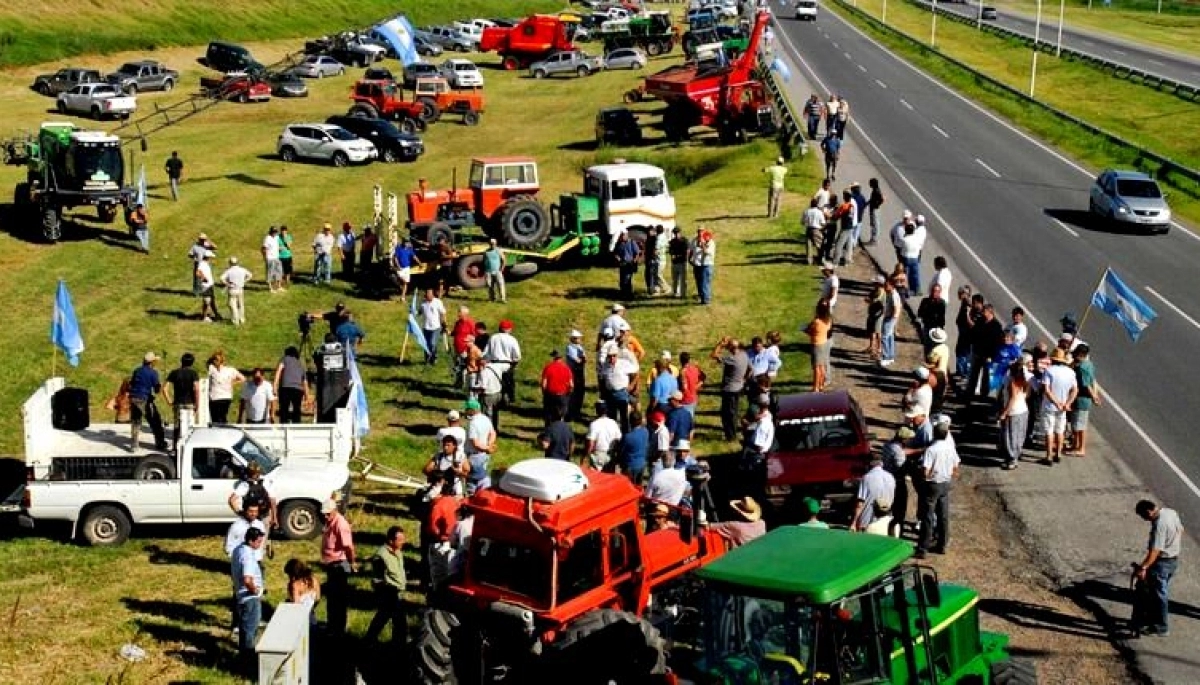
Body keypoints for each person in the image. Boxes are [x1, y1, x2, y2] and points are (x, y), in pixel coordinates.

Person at [1131, 500, 1183, 637]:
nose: (1145, 520)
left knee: (1158, 595)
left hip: (1161, 563)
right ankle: (1152, 620)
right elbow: (1180, 530)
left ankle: (1161, 627)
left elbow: (1155, 551)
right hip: (1173, 560)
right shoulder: (1170, 512)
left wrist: (1143, 567)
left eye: (1144, 517)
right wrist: (1172, 544)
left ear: (1149, 512)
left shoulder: (1159, 524)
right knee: (1156, 592)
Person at [916, 422, 960, 559]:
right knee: (943, 515)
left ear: (934, 433)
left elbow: (925, 470)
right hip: (946, 483)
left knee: (927, 516)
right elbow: (956, 465)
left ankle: (923, 547)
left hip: (932, 484)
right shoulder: (950, 448)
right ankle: (942, 545)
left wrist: (926, 477)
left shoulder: (931, 450)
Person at [366, 526, 408, 646]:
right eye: (400, 540)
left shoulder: (398, 552)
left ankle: (396, 644)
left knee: (390, 619)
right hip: (389, 593)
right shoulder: (381, 556)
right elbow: (377, 578)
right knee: (391, 619)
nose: (403, 542)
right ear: (391, 541)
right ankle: (371, 640)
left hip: (398, 593)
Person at [230, 527, 266, 671]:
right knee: (250, 630)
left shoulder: (238, 549)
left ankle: (243, 657)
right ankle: (248, 662)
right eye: (258, 542)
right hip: (250, 598)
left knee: (244, 630)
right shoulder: (248, 556)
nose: (260, 544)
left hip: (240, 596)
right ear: (251, 540)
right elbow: (247, 579)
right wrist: (255, 590)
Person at [320, 499, 356, 637]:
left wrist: (352, 562)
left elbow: (348, 547)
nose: (325, 516)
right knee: (332, 598)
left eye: (328, 514)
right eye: (324, 514)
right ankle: (332, 625)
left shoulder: (341, 525)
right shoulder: (330, 521)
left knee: (338, 600)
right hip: (331, 565)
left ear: (334, 510)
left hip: (339, 565)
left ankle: (338, 629)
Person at [1040, 348, 1078, 465]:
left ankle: (1049, 456)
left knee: (1049, 431)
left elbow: (1046, 390)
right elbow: (1075, 390)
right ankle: (1058, 454)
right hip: (1063, 407)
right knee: (1060, 430)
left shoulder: (1049, 371)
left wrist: (1055, 402)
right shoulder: (1071, 372)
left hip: (1049, 406)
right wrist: (1067, 403)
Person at [711, 337, 750, 441]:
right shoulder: (744, 355)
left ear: (731, 348)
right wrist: (744, 379)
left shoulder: (732, 359)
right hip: (738, 387)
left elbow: (713, 355)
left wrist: (720, 344)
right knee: (734, 411)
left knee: (727, 414)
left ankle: (731, 436)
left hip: (729, 390)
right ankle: (732, 434)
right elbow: (751, 369)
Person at [425, 481, 459, 591]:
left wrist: (440, 535)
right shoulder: (457, 504)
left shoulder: (438, 505)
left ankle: (438, 596)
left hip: (439, 542)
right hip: (455, 544)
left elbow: (432, 526)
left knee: (437, 575)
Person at [129, 352, 166, 450]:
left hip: (133, 398)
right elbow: (157, 390)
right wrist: (159, 385)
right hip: (144, 399)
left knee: (136, 421)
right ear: (152, 362)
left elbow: (132, 383)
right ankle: (160, 443)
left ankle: (134, 445)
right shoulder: (153, 372)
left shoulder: (137, 370)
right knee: (155, 421)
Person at [1069, 344, 1100, 457]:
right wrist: (1095, 394)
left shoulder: (1082, 368)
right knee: (1076, 424)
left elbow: (1087, 384)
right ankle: (1075, 445)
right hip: (1080, 398)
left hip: (1082, 398)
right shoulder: (1088, 365)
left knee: (1080, 425)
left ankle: (1081, 448)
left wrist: (1094, 397)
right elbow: (1094, 381)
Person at [997, 360, 1030, 470]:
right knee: (1019, 435)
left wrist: (1004, 413)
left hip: (1014, 412)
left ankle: (1012, 460)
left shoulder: (1012, 381)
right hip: (1023, 410)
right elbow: (1026, 392)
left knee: (1010, 437)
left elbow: (1012, 398)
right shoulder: (1022, 379)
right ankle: (1015, 456)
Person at [852, 455, 896, 534]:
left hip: (867, 522)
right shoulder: (891, 477)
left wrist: (854, 522)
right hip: (887, 521)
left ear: (869, 465)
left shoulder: (867, 478)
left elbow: (860, 503)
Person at [164, 353, 199, 451]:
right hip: (190, 403)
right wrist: (197, 404)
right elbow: (196, 389)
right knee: (190, 426)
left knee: (177, 426)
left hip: (178, 403)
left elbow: (164, 389)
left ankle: (175, 447)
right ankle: (190, 447)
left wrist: (169, 401)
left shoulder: (174, 372)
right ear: (192, 363)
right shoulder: (193, 373)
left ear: (181, 361)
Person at [464, 401, 496, 493]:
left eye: (467, 409)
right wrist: (489, 445)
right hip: (484, 455)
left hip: (474, 456)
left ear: (472, 410)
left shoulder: (472, 423)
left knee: (472, 482)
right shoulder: (486, 419)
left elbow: (475, 443)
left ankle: (472, 498)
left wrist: (487, 448)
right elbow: (493, 433)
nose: (465, 411)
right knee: (482, 479)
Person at [207, 350, 244, 424]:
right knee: (220, 417)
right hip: (220, 397)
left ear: (220, 361)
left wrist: (233, 383)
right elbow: (242, 378)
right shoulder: (212, 369)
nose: (214, 362)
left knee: (218, 418)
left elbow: (242, 378)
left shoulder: (229, 370)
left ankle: (222, 430)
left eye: (216, 360)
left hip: (219, 397)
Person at [805, 299, 833, 392]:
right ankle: (821, 385)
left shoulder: (816, 322)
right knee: (822, 367)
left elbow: (810, 331)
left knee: (817, 367)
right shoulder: (828, 319)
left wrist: (805, 329)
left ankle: (815, 388)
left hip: (817, 345)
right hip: (824, 343)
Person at [274, 347, 308, 424]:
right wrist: (306, 395)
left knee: (284, 409)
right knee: (297, 410)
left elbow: (278, 372)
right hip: (298, 389)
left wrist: (275, 386)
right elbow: (305, 381)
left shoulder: (284, 359)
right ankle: (296, 427)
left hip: (285, 387)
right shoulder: (300, 363)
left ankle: (283, 427)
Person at [585, 401, 622, 470]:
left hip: (598, 455)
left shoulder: (594, 424)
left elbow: (590, 444)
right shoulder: (613, 423)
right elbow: (619, 439)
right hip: (611, 455)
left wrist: (586, 456)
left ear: (596, 411)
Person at [284, 558, 321, 624]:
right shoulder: (314, 580)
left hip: (299, 617)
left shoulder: (295, 585)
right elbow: (318, 598)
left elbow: (296, 605)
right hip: (311, 613)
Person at [617, 411, 649, 483]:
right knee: (638, 487)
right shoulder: (646, 432)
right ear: (640, 421)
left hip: (630, 466)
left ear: (630, 421)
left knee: (628, 488)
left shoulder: (628, 437)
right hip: (642, 464)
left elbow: (621, 451)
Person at [219, 256, 252, 327]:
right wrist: (244, 281)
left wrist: (227, 284)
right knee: (241, 304)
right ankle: (242, 319)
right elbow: (250, 275)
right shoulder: (242, 269)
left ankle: (235, 320)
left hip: (232, 290)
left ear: (230, 263)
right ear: (237, 262)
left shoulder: (229, 271)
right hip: (240, 289)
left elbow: (221, 278)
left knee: (232, 305)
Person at [420, 289, 447, 366]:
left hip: (436, 327)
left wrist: (444, 323)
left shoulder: (438, 302)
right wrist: (412, 312)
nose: (429, 295)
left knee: (432, 343)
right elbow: (419, 312)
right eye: (428, 294)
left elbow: (443, 313)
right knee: (426, 344)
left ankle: (434, 358)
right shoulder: (423, 303)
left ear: (433, 294)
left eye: (430, 294)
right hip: (426, 327)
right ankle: (427, 359)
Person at [689, 228, 716, 305]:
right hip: (697, 264)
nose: (700, 233)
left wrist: (702, 243)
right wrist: (690, 258)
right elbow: (691, 249)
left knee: (705, 282)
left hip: (707, 265)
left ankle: (706, 300)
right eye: (698, 231)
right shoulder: (694, 240)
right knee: (699, 282)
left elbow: (705, 251)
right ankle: (701, 297)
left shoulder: (711, 243)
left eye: (702, 231)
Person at [613, 230, 641, 300]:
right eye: (621, 236)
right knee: (622, 281)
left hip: (629, 264)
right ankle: (623, 294)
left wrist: (634, 261)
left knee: (627, 280)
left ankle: (629, 295)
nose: (622, 237)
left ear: (627, 235)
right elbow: (616, 253)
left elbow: (637, 253)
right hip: (622, 264)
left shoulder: (632, 242)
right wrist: (618, 258)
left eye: (624, 235)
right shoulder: (619, 243)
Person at [566, 330, 587, 420]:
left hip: (579, 371)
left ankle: (577, 410)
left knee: (580, 391)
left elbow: (584, 359)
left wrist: (582, 359)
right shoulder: (570, 348)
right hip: (573, 371)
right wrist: (582, 359)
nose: (580, 340)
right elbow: (577, 360)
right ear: (573, 339)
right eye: (578, 338)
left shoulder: (580, 348)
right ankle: (571, 412)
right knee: (573, 392)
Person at [880, 277, 901, 367]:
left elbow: (896, 308)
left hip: (890, 318)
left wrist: (892, 318)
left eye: (887, 285)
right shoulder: (889, 293)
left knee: (884, 337)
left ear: (892, 286)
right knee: (889, 336)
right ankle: (891, 356)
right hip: (889, 317)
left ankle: (886, 357)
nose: (885, 286)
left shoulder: (893, 295)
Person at [477, 238, 506, 303]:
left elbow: (504, 260)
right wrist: (484, 270)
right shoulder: (486, 252)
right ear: (489, 244)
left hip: (497, 271)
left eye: (493, 243)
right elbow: (484, 260)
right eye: (491, 243)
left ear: (496, 244)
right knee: (489, 285)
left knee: (500, 285)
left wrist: (502, 269)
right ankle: (492, 298)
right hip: (488, 272)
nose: (492, 244)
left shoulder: (499, 251)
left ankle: (502, 299)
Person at [196, 251, 221, 322]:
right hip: (206, 286)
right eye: (211, 257)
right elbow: (198, 273)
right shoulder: (202, 264)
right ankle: (204, 317)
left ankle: (216, 315)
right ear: (208, 257)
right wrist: (204, 278)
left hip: (210, 285)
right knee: (207, 302)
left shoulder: (205, 264)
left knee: (212, 301)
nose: (211, 259)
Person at [678, 352, 704, 417]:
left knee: (686, 421)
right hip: (694, 397)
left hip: (686, 399)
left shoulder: (682, 372)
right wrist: (700, 383)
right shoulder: (695, 369)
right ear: (689, 360)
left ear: (680, 360)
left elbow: (684, 387)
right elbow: (703, 376)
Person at [668, 227, 689, 299]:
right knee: (675, 279)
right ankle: (675, 293)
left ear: (680, 232)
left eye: (677, 233)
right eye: (675, 233)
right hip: (674, 262)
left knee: (683, 280)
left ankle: (683, 294)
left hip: (682, 262)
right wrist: (672, 254)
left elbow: (686, 251)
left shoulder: (684, 241)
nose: (676, 234)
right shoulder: (672, 241)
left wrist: (677, 255)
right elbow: (670, 251)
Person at [262, 226, 283, 294]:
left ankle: (279, 287)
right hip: (270, 258)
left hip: (277, 257)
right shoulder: (267, 238)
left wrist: (279, 248)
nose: (275, 233)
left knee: (279, 272)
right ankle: (270, 288)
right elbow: (263, 249)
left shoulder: (277, 237)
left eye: (276, 232)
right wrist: (265, 258)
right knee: (270, 273)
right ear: (270, 232)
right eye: (273, 232)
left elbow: (276, 245)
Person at [864, 178, 885, 245]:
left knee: (875, 224)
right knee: (873, 224)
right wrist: (867, 203)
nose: (869, 184)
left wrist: (876, 205)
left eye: (870, 183)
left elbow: (882, 199)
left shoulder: (876, 191)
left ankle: (874, 240)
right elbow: (872, 199)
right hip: (873, 208)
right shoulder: (875, 190)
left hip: (874, 209)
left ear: (873, 184)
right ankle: (873, 239)